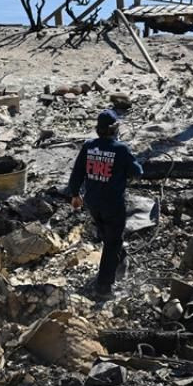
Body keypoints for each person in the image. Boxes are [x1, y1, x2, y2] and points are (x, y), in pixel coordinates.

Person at [67, 109, 144, 298]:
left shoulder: (88, 146)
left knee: (105, 232)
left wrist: (75, 194)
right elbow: (137, 172)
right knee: (112, 242)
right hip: (113, 204)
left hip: (93, 202)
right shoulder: (121, 149)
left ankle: (119, 257)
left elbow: (76, 173)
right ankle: (103, 286)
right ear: (114, 129)